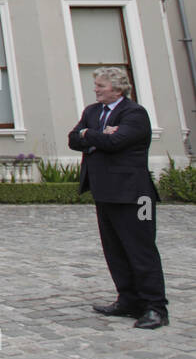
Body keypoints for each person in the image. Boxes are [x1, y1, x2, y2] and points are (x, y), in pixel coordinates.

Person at [68, 67, 169, 329]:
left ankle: (155, 307)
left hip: (135, 195)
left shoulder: (134, 114)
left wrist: (89, 136)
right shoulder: (92, 112)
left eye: (101, 85)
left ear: (117, 88)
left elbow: (116, 143)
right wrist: (97, 135)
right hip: (105, 192)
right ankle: (128, 300)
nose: (96, 89)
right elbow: (72, 139)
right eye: (97, 85)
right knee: (114, 250)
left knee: (141, 249)